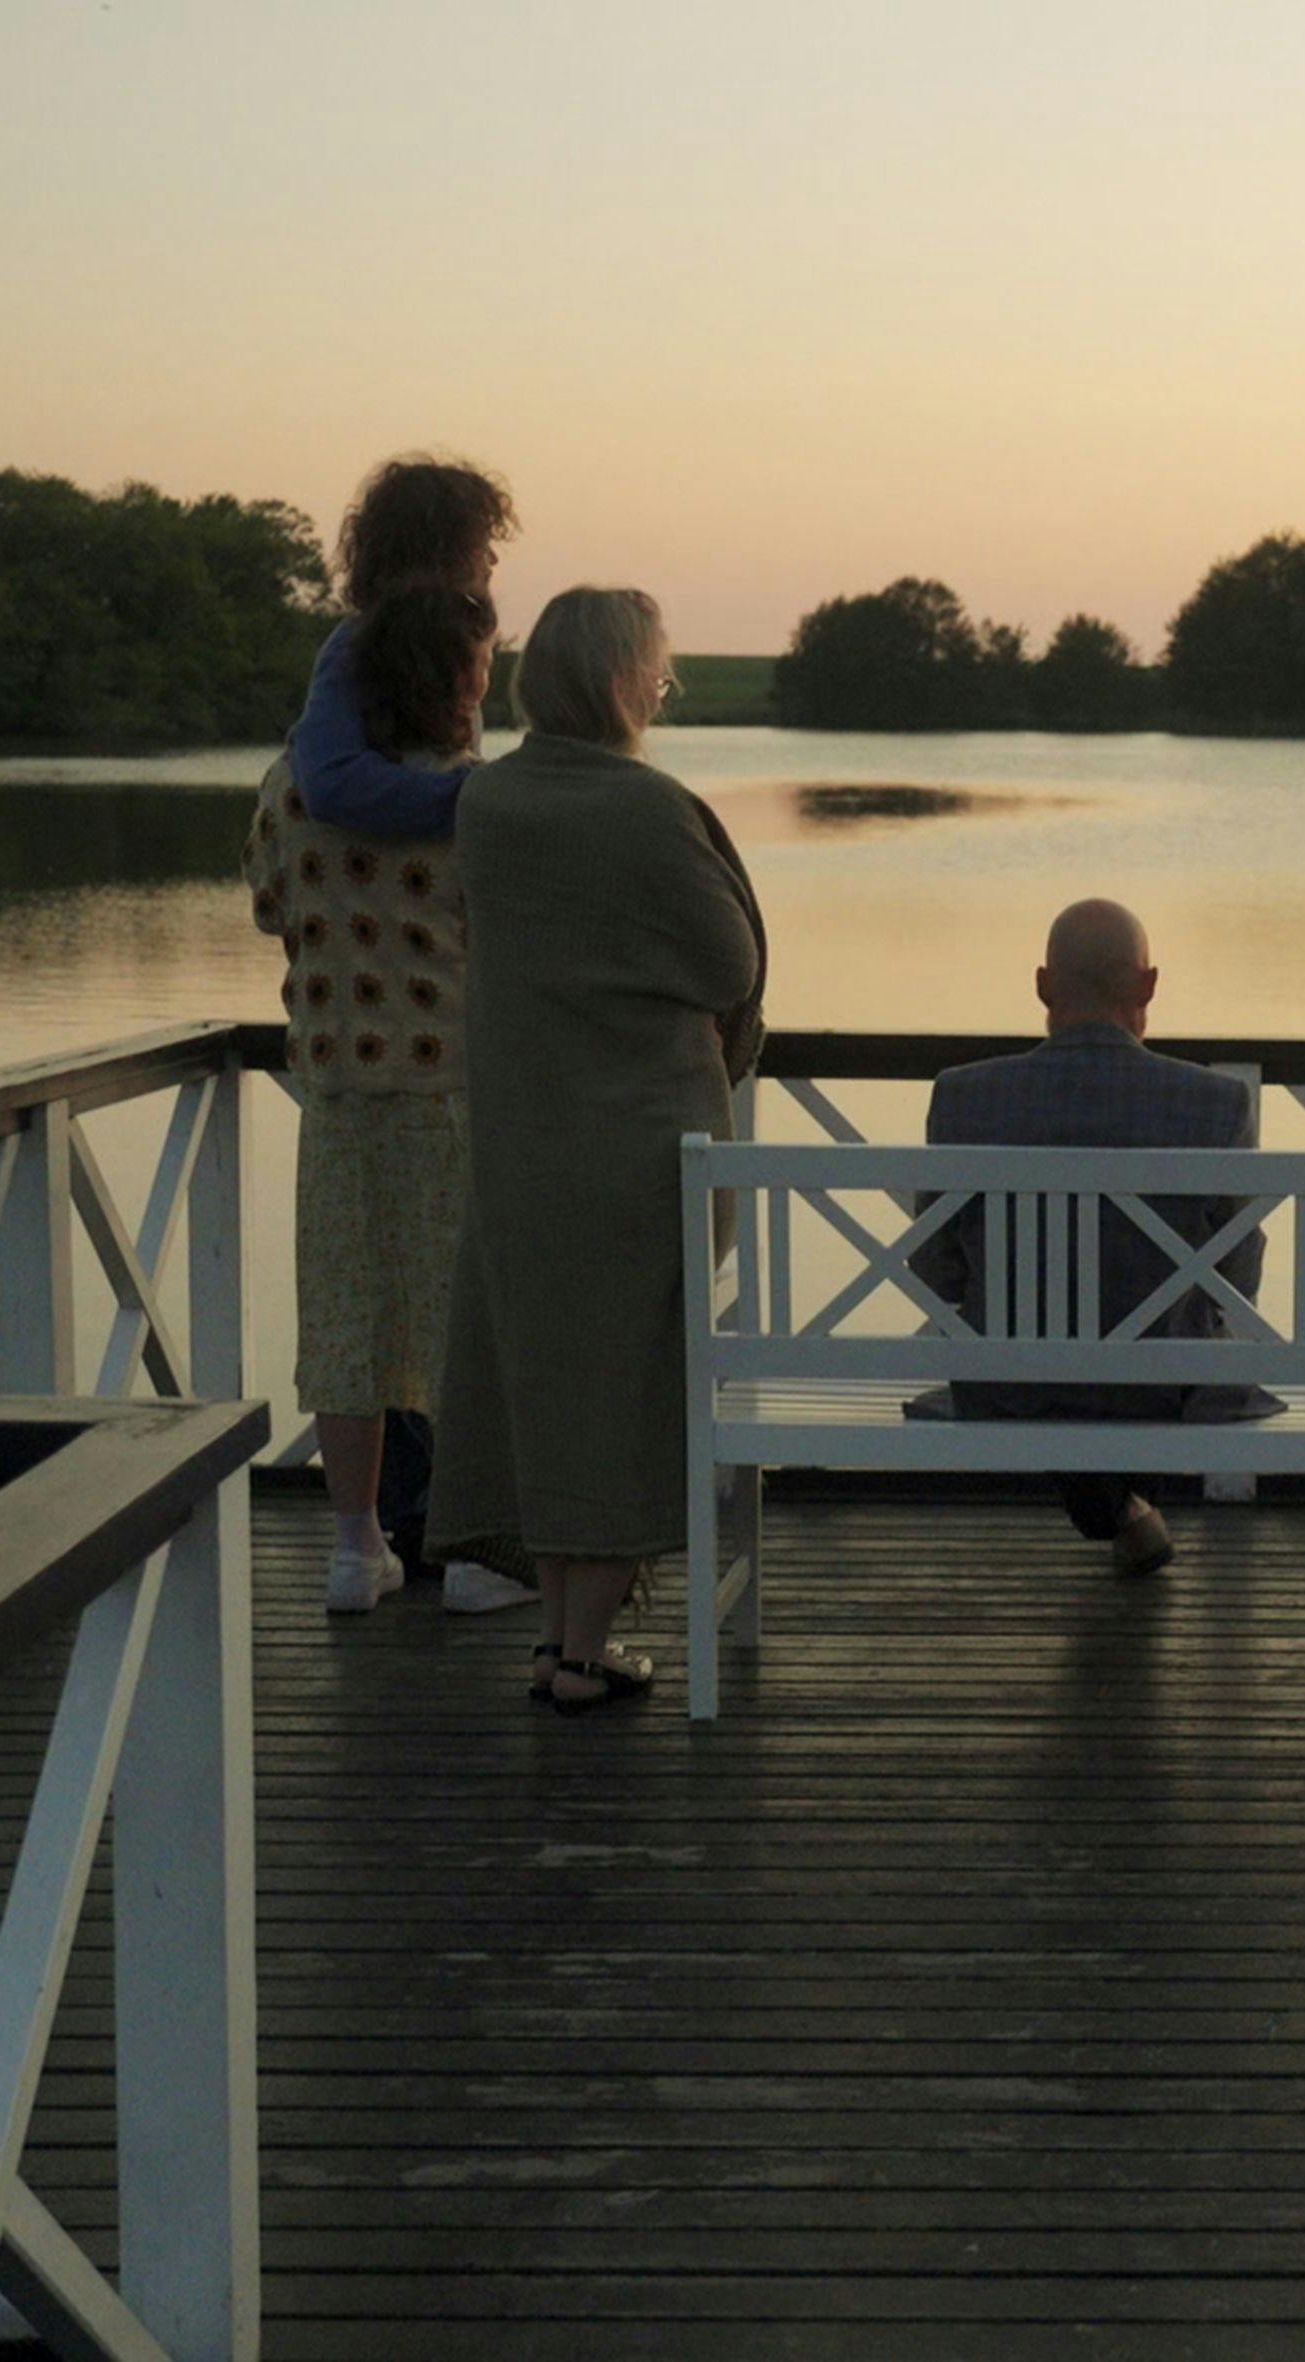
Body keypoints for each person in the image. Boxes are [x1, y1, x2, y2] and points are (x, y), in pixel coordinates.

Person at [426, 588, 769, 1712]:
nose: (662, 695)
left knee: (550, 1391)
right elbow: (727, 965)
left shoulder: (484, 803)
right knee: (626, 1397)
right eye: (660, 677)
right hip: (640, 1155)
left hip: (523, 1147)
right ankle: (578, 1654)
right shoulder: (650, 809)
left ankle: (563, 1644)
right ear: (625, 681)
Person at [280, 452, 526, 1592]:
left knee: (349, 1322)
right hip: (454, 1093)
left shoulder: (291, 786)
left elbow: (269, 902)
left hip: (333, 1090)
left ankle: (354, 1546)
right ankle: (477, 1553)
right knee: (459, 1328)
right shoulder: (479, 806)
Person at [907, 900, 1276, 1578]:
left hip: (1008, 1387)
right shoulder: (1213, 1103)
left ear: (1044, 986)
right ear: (1148, 986)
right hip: (1164, 1389)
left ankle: (1120, 1509)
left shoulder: (962, 1097)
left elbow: (934, 1272)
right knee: (1132, 1365)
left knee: (1049, 1373)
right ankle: (1126, 1505)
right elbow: (1236, 1277)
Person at [286, 453, 520, 838]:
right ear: (438, 549)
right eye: (480, 543)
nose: (492, 558)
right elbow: (331, 784)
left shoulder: (462, 644)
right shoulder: (353, 643)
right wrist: (482, 797)